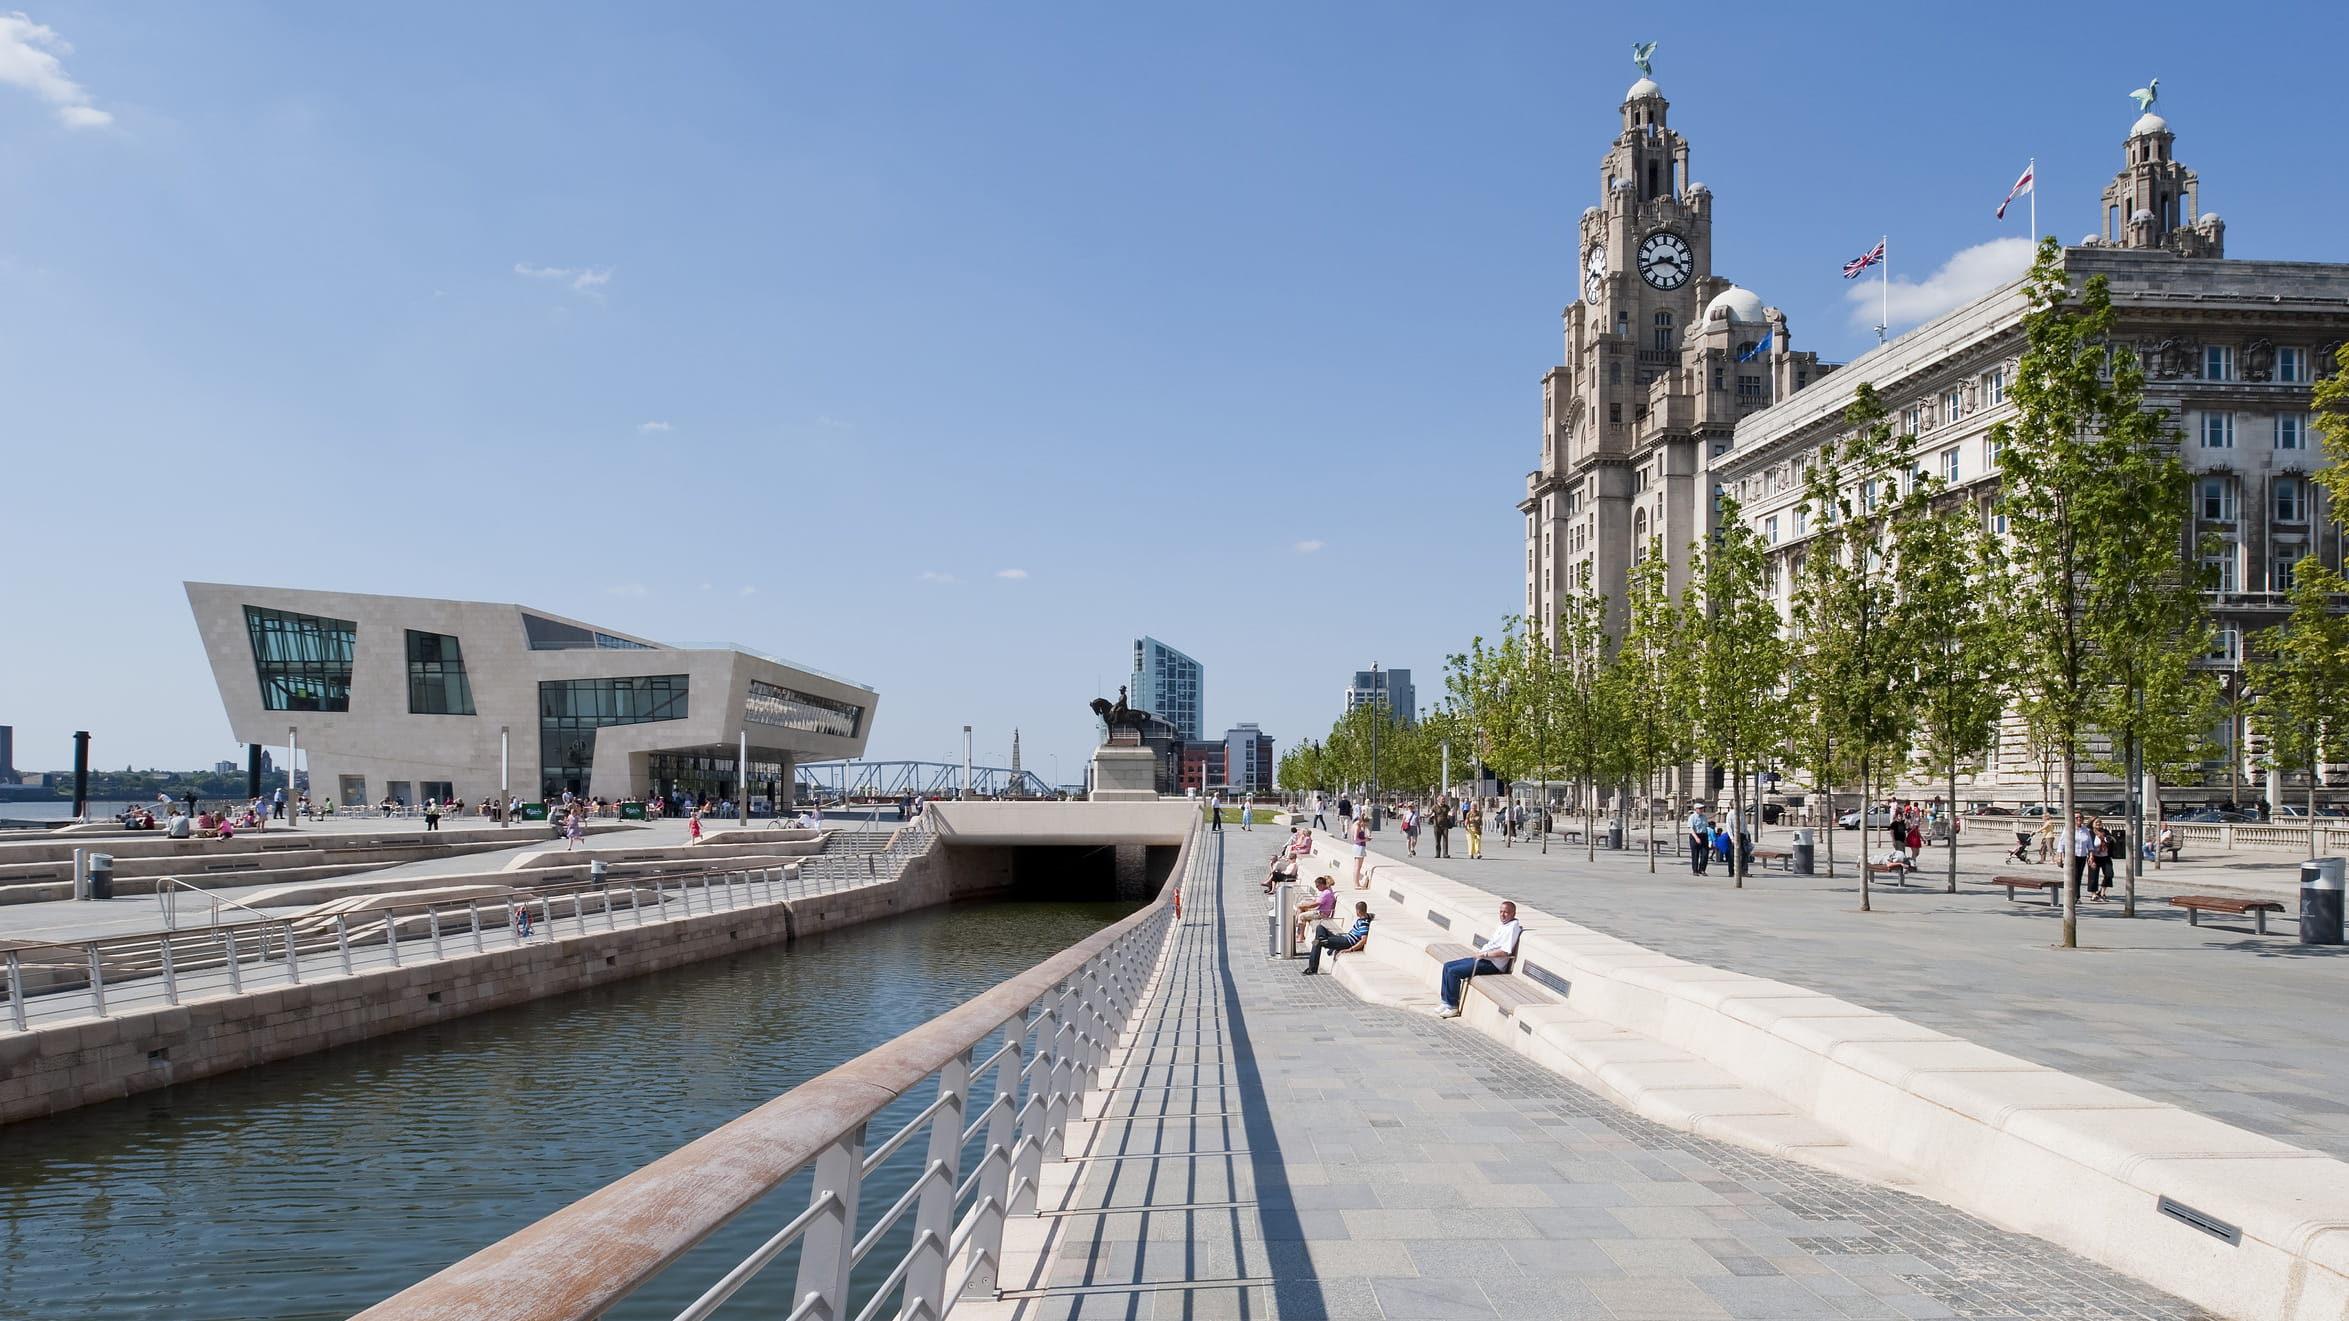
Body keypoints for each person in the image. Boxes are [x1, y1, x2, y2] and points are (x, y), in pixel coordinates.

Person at [1438, 901, 1522, 1018]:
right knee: (1448, 965)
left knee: (1454, 972)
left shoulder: (1512, 928)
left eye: (1506, 913)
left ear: (1513, 913)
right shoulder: (1503, 925)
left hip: (1492, 964)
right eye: (1501, 912)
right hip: (1483, 958)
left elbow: (1506, 952)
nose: (1502, 915)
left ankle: (1453, 1007)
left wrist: (1485, 954)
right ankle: (1446, 1002)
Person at [1302, 902, 1373, 975]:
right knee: (1320, 928)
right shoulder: (1364, 917)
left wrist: (1350, 949)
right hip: (1344, 938)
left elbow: (1364, 940)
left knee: (1318, 941)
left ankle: (1312, 968)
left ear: (1358, 911)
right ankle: (1328, 944)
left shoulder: (1364, 923)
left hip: (1346, 942)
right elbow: (1372, 915)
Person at [1292, 875, 1339, 949]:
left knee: (1301, 916)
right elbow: (1316, 901)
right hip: (1318, 910)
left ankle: (1300, 936)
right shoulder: (1326, 891)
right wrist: (1303, 905)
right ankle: (1299, 932)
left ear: (1322, 885)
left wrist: (1304, 907)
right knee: (1301, 905)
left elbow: (1316, 904)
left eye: (1318, 886)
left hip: (1321, 913)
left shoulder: (1326, 893)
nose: (1317, 888)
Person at [1686, 805, 1711, 876]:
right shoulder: (1692, 817)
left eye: (1702, 808)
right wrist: (1696, 838)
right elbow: (1691, 828)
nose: (1701, 810)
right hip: (1695, 835)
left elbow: (1706, 827)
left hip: (1703, 835)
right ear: (1696, 809)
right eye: (1700, 808)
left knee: (1705, 853)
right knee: (1695, 854)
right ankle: (1695, 870)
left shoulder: (1704, 817)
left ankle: (1702, 869)